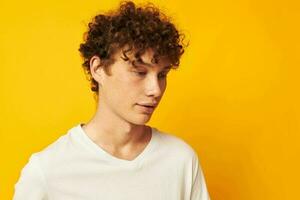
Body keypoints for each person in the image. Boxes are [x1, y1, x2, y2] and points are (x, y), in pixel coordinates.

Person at [13, 1, 210, 199]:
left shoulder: (180, 160)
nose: (155, 90)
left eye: (162, 75)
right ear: (98, 69)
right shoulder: (46, 172)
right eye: (140, 72)